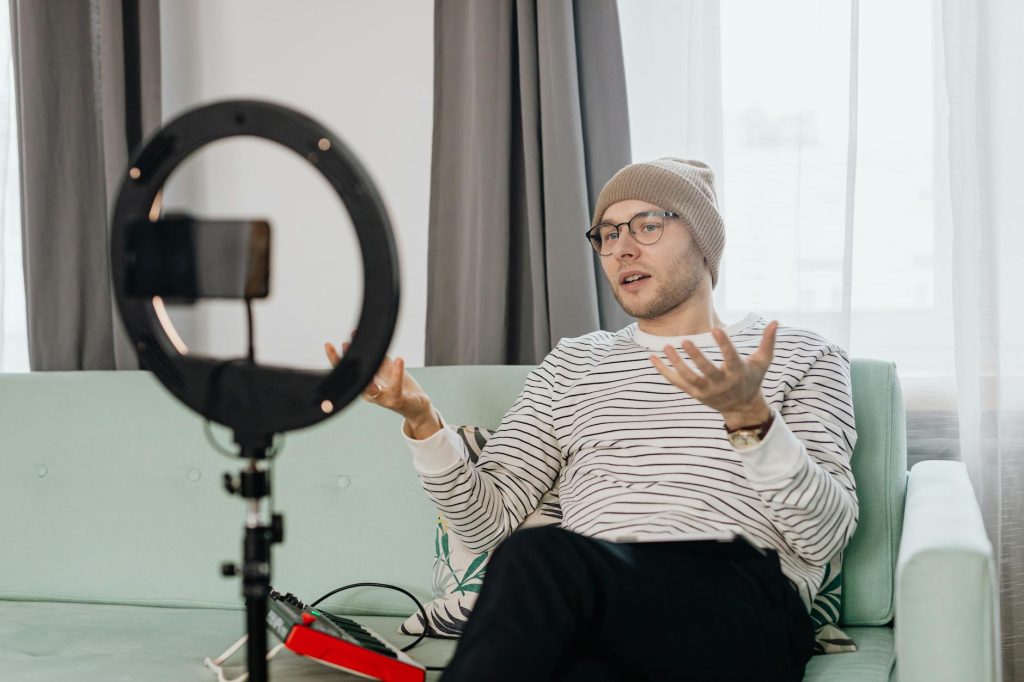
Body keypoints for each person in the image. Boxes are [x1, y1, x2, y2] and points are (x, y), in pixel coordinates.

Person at [326, 158, 857, 681]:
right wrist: (423, 424)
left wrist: (751, 419)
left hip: (738, 595)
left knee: (541, 556)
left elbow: (823, 536)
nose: (622, 248)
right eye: (606, 234)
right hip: (592, 605)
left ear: (702, 238)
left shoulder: (796, 354)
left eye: (648, 225)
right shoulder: (574, 364)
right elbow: (487, 523)